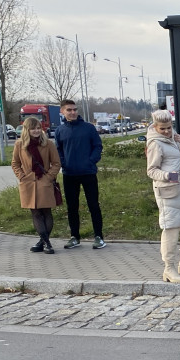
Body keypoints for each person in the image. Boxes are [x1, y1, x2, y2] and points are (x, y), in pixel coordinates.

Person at [145, 109, 180, 284]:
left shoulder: (176, 140)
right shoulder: (155, 143)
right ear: (155, 127)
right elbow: (151, 171)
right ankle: (168, 268)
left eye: (169, 127)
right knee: (171, 229)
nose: (167, 131)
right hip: (169, 193)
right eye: (162, 129)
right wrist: (168, 175)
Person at [54, 99, 104, 249]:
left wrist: (91, 161)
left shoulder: (88, 128)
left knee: (93, 205)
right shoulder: (60, 130)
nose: (73, 112)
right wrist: (64, 163)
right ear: (62, 112)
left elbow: (97, 146)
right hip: (69, 174)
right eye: (69, 110)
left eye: (75, 109)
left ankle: (99, 237)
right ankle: (74, 237)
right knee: (72, 207)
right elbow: (58, 150)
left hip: (88, 172)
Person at [11, 116, 61, 254]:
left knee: (46, 212)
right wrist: (22, 176)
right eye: (33, 128)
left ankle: (45, 242)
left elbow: (56, 163)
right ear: (27, 130)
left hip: (44, 182)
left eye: (38, 128)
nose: (36, 131)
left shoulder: (48, 144)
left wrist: (49, 177)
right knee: (35, 213)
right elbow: (15, 163)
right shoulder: (19, 145)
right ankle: (46, 243)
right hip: (28, 183)